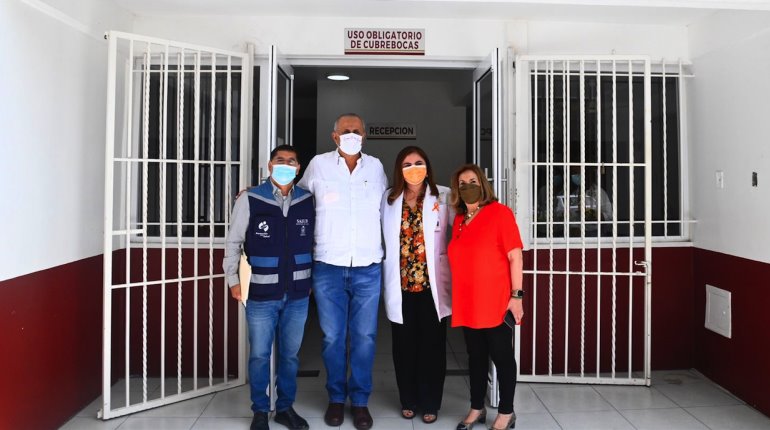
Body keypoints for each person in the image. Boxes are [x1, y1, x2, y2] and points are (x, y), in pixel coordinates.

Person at [297, 113, 387, 430]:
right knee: (333, 338)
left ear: (365, 136)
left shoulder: (375, 168)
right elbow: (296, 201)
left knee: (364, 338)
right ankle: (336, 398)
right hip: (327, 267)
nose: (351, 135)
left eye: (357, 131)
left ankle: (360, 402)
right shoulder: (318, 165)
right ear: (335, 136)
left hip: (367, 267)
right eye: (345, 131)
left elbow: (390, 208)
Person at [223, 145, 315, 430]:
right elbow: (234, 241)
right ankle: (260, 411)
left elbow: (314, 241)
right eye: (280, 161)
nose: (286, 165)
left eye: (291, 161)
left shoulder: (308, 200)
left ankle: (285, 408)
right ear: (269, 165)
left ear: (299, 168)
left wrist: (310, 280)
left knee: (289, 356)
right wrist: (233, 280)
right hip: (261, 294)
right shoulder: (251, 198)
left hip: (298, 294)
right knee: (260, 355)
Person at [447, 164, 524, 430]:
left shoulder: (499, 213)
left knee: (502, 357)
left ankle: (506, 412)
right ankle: (476, 408)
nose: (467, 186)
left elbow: (515, 256)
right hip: (468, 303)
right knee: (475, 358)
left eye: (472, 180)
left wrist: (517, 296)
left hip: (496, 302)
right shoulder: (459, 220)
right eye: (462, 182)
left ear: (482, 184)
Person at [380, 146, 452, 424]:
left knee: (433, 346)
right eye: (407, 164)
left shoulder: (443, 194)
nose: (413, 168)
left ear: (428, 166)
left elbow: (467, 218)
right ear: (399, 169)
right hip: (401, 284)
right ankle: (408, 399)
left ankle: (431, 401)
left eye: (419, 162)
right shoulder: (388, 197)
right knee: (403, 346)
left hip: (431, 285)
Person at [536, 166, 613, 237]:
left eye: (578, 173)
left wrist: (591, 213)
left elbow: (609, 216)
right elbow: (560, 212)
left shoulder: (598, 192)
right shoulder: (573, 192)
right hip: (570, 233)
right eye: (574, 173)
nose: (575, 176)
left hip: (592, 234)